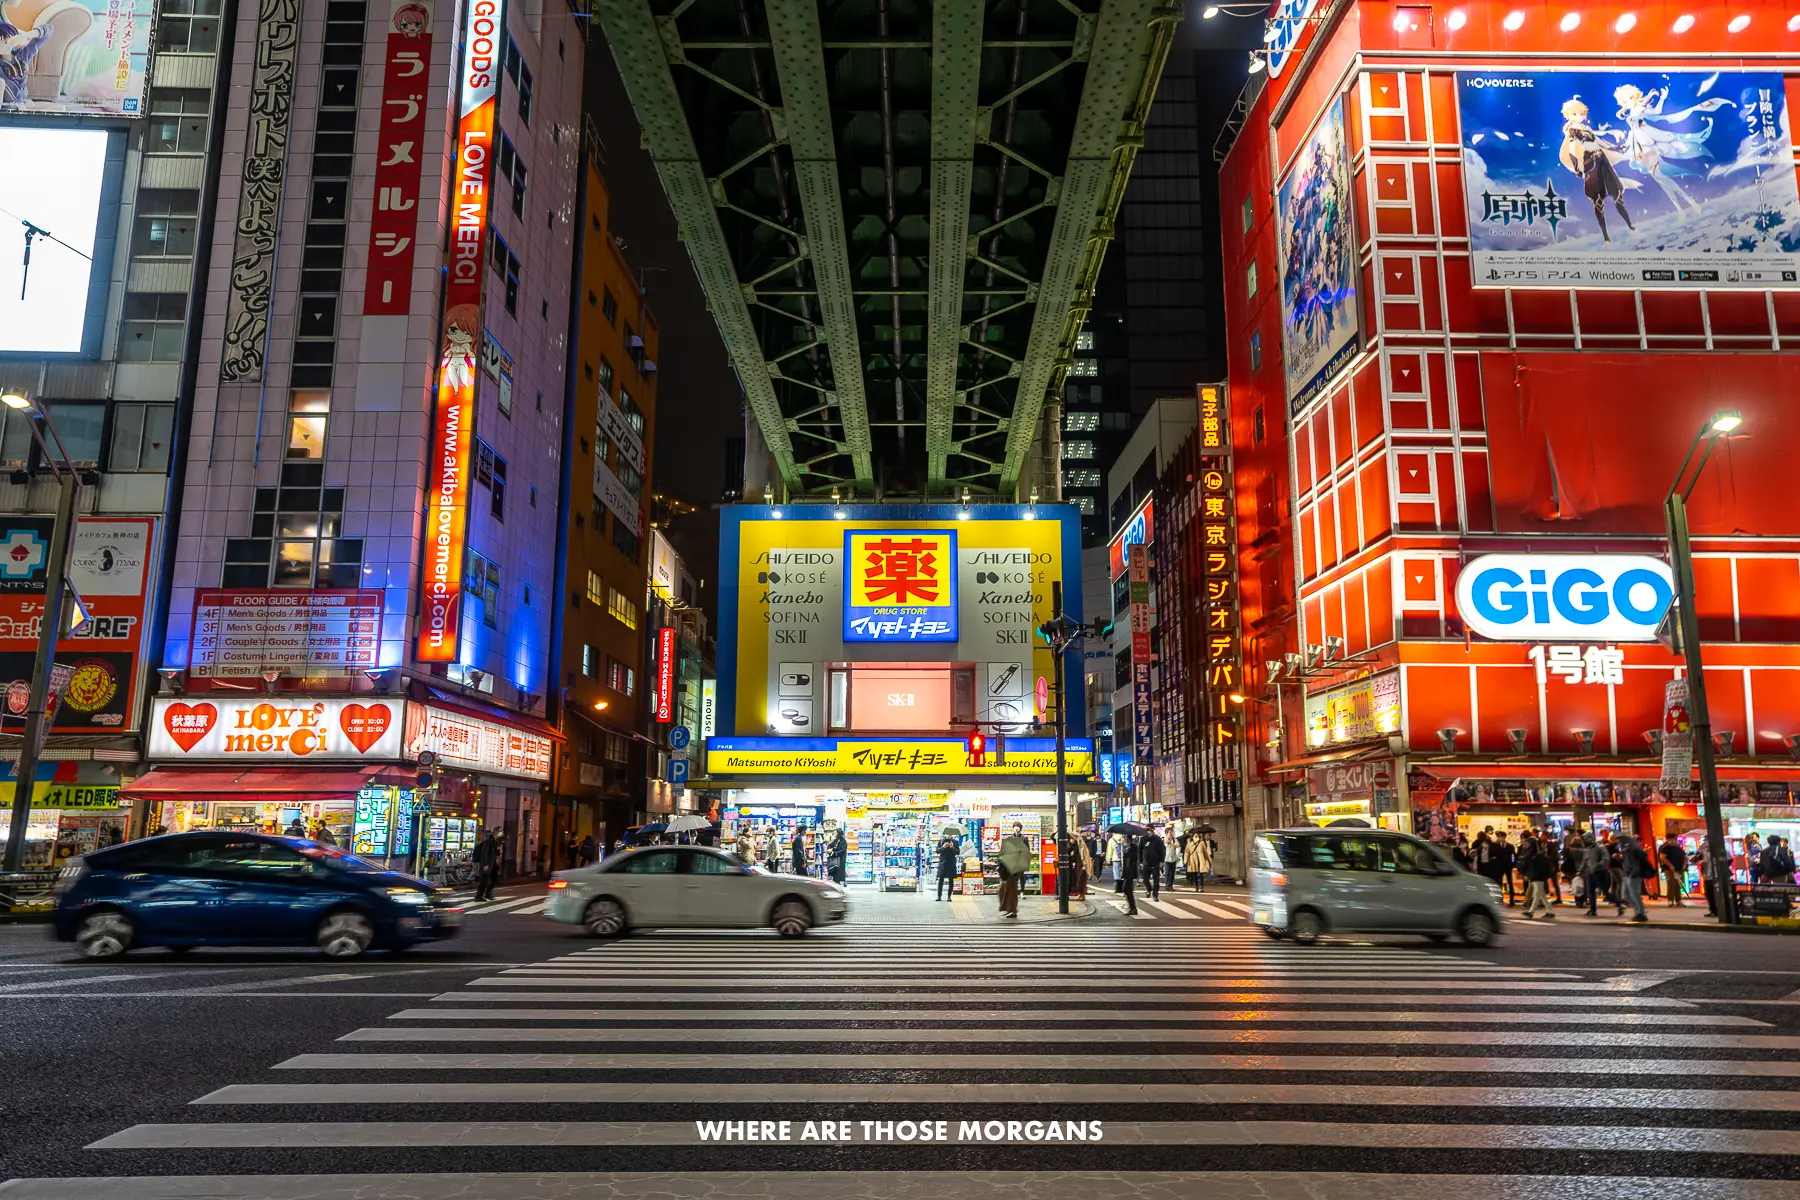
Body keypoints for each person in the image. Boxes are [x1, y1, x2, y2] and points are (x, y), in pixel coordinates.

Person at [996, 823, 1031, 919]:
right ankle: (1008, 909)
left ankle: (1012, 910)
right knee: (1005, 889)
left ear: (1021, 828)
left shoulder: (1024, 838)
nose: (1016, 828)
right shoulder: (1009, 838)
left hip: (1016, 866)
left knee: (1011, 889)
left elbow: (1026, 851)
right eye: (1015, 826)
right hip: (1009, 865)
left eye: (1018, 827)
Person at [1521, 833, 1555, 919]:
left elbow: (1535, 866)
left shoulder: (1536, 855)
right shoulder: (1535, 854)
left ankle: (1531, 912)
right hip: (1536, 876)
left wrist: (1528, 874)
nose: (1526, 845)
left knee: (1536, 894)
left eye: (1528, 844)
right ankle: (1550, 912)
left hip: (1537, 876)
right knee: (1541, 895)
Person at [1621, 835, 1652, 922]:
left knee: (1634, 894)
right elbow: (1626, 862)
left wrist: (1634, 872)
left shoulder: (1636, 850)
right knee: (1625, 894)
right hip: (1627, 874)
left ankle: (1640, 912)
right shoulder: (1627, 850)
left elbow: (1638, 863)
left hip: (1634, 875)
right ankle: (1638, 910)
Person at [1581, 833, 1610, 917]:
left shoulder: (1599, 847)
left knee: (1605, 891)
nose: (1584, 841)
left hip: (1599, 872)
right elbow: (1585, 860)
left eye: (1585, 839)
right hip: (1590, 872)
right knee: (1590, 892)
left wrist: (1598, 865)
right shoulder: (1588, 849)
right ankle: (1593, 910)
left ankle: (1619, 905)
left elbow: (1606, 858)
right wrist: (1580, 870)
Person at [1659, 835, 1688, 907]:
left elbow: (1685, 857)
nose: (1672, 841)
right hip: (1669, 869)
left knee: (1679, 884)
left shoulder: (1679, 848)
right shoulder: (1665, 848)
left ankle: (1678, 900)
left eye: (1674, 839)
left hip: (1679, 868)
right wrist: (1670, 865)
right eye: (1670, 840)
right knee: (1672, 884)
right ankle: (1670, 900)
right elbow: (1662, 857)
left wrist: (1684, 864)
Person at [472, 829, 500, 902]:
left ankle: (487, 893)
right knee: (485, 881)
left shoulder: (495, 841)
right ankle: (478, 896)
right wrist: (484, 864)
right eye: (500, 831)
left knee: (495, 879)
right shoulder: (488, 841)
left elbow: (496, 853)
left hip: (492, 864)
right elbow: (484, 853)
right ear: (496, 832)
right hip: (487, 864)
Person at [1140, 829, 1166, 901]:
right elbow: (1140, 850)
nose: (1148, 831)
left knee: (1156, 880)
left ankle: (1155, 894)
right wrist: (1140, 861)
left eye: (1150, 830)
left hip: (1155, 863)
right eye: (1147, 830)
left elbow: (1162, 850)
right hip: (1146, 863)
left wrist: (1161, 860)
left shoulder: (1157, 839)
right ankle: (1149, 889)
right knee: (1145, 879)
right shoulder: (1143, 839)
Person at [1119, 833, 1141, 916]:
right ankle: (1132, 907)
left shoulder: (1134, 847)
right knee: (1126, 890)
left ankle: (1133, 908)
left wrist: (1127, 853)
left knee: (1127, 890)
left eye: (1125, 837)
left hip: (1131, 872)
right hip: (1126, 872)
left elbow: (1134, 858)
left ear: (1128, 838)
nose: (1124, 839)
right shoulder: (1126, 847)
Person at [935, 832, 960, 901]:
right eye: (947, 834)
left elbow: (958, 852)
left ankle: (949, 896)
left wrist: (952, 847)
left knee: (951, 880)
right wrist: (943, 847)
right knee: (941, 879)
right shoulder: (941, 841)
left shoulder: (955, 842)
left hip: (951, 863)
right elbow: (937, 851)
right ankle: (939, 896)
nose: (948, 835)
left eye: (950, 834)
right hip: (943, 863)